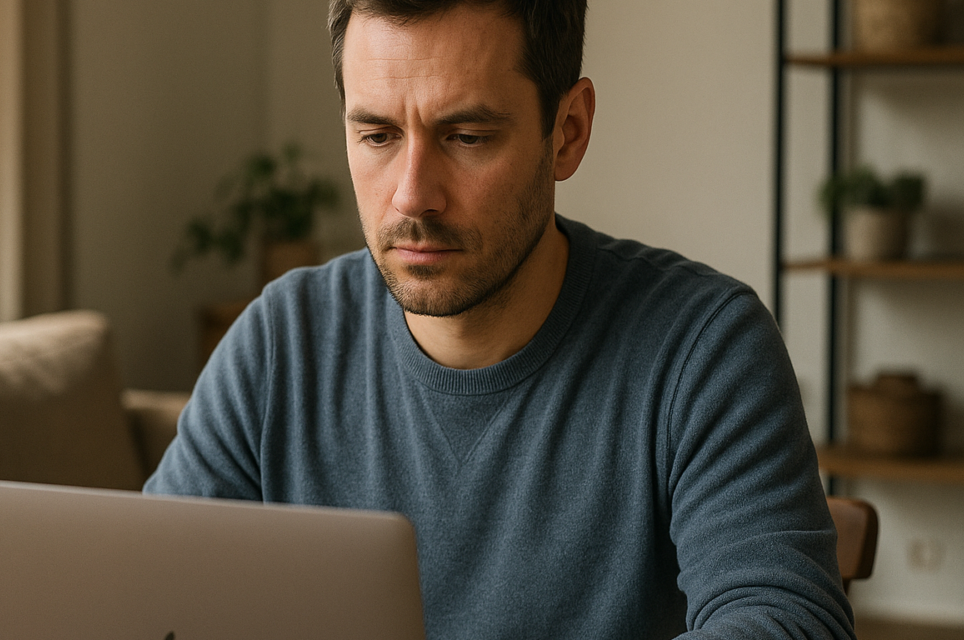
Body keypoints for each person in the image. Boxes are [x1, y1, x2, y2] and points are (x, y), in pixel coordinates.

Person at [145, 1, 855, 638]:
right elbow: (147, 599)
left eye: (468, 136)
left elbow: (786, 618)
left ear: (567, 133)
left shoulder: (703, 348)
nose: (411, 198)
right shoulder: (281, 344)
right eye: (378, 135)